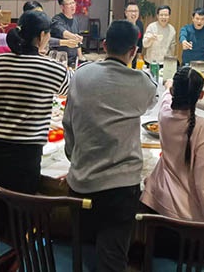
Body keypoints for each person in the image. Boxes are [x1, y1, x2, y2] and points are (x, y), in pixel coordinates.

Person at [63, 20, 158, 272]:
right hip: (120, 189)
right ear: (134, 51)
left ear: (104, 45)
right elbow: (152, 100)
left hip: (81, 183)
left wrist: (76, 159)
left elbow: (68, 124)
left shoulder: (81, 74)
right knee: (113, 258)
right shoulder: (141, 81)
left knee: (85, 249)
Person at [0, 11, 71, 196]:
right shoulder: (52, 69)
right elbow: (74, 86)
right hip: (28, 154)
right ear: (42, 36)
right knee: (23, 202)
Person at [141, 66, 204, 223]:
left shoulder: (164, 115)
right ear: (201, 95)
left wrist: (168, 87)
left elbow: (166, 99)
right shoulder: (203, 128)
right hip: (184, 213)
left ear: (173, 91)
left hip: (157, 199)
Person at [50, 0, 86, 67]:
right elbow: (62, 31)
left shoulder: (75, 20)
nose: (72, 6)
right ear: (62, 6)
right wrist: (74, 36)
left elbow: (78, 43)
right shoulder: (57, 19)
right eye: (69, 4)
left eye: (73, 3)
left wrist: (80, 57)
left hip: (73, 60)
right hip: (60, 59)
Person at [125, 1, 145, 67]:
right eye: (131, 11)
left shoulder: (140, 24)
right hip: (123, 57)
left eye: (136, 11)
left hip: (134, 56)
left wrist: (139, 56)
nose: (133, 13)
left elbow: (140, 42)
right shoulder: (121, 26)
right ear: (126, 13)